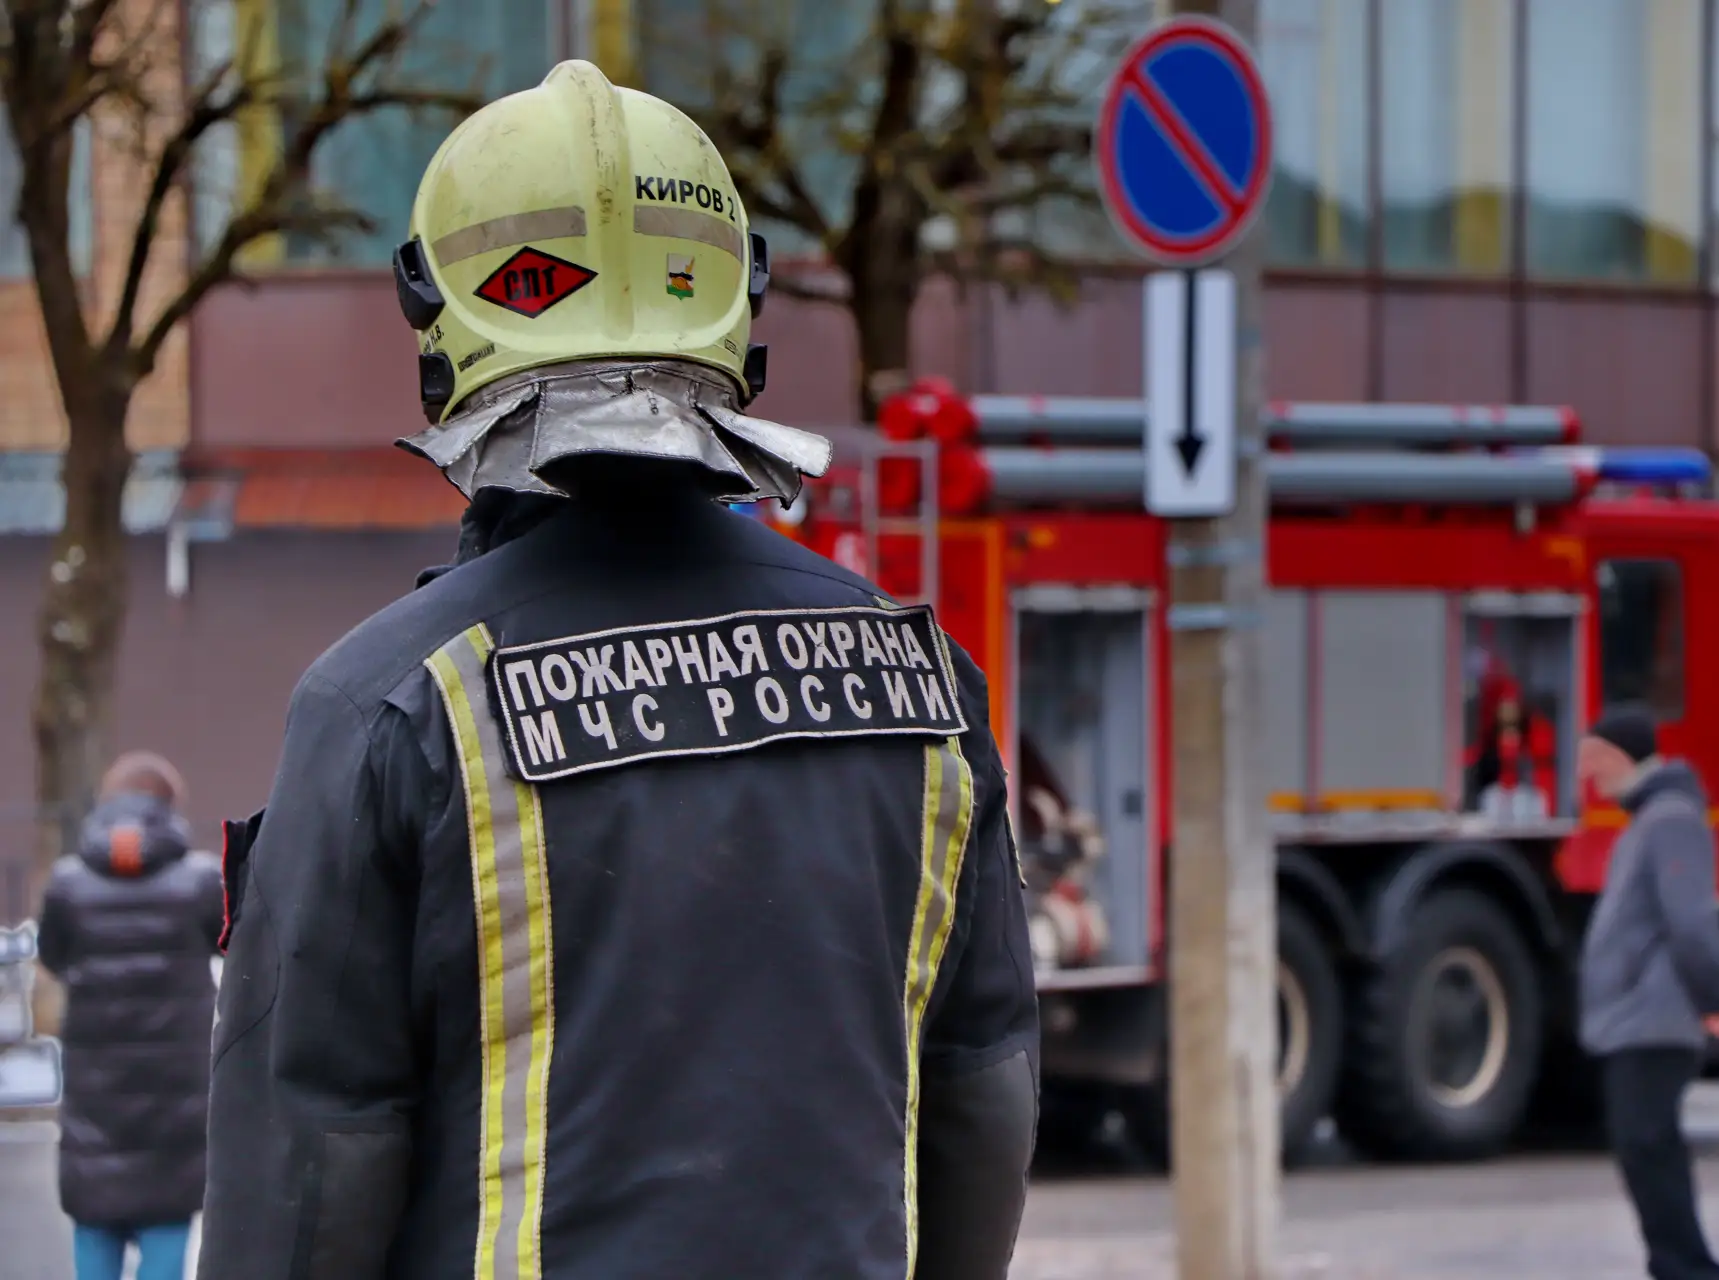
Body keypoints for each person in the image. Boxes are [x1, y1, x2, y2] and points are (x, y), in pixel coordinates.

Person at [199, 60, 1037, 1280]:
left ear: (443, 327)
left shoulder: (392, 703)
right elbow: (982, 1092)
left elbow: (312, 1172)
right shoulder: (924, 681)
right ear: (737, 311)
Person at [36, 751, 223, 1280]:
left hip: (95, 1091)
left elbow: (53, 957)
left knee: (95, 1218)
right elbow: (230, 944)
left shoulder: (69, 884)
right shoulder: (200, 883)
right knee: (167, 1222)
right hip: (175, 1096)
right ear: (170, 806)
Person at [1577, 705, 1719, 1280]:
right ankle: (1678, 1266)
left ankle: (1688, 1270)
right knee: (1644, 1148)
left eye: (1595, 757)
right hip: (1636, 1018)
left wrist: (1713, 999)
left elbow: (1691, 923)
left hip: (1655, 1018)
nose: (1588, 771)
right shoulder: (1651, 820)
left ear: (1623, 756)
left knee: (1647, 1145)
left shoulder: (1670, 820)